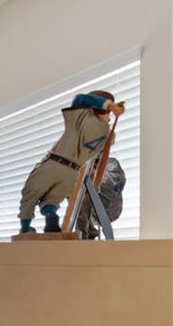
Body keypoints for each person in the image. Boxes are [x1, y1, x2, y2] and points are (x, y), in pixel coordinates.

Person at [17, 90, 124, 233]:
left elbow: (103, 156)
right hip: (66, 169)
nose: (108, 118)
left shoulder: (103, 131)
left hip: (69, 170)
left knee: (40, 196)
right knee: (43, 197)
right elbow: (80, 99)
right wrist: (109, 105)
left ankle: (42, 224)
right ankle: (46, 223)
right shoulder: (81, 119)